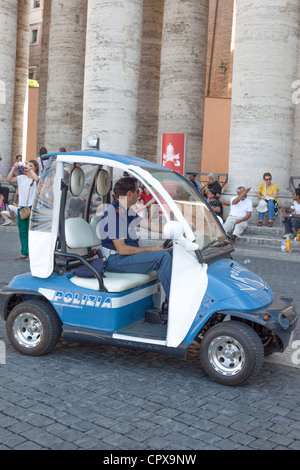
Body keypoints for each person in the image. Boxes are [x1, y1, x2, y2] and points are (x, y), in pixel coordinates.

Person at [100, 177, 173, 300]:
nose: (139, 194)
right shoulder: (114, 214)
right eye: (137, 191)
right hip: (116, 259)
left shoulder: (125, 211)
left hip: (125, 256)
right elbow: (122, 249)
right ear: (129, 194)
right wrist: (151, 249)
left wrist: (173, 229)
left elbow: (148, 224)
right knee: (162, 257)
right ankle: (175, 304)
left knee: (171, 251)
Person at [7, 160, 40, 260]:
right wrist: (14, 168)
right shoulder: (21, 178)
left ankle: (31, 253)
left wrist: (30, 169)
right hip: (22, 207)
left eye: (31, 166)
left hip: (31, 207)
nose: (28, 167)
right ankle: (24, 252)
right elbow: (8, 179)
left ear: (35, 168)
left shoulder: (35, 179)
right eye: (27, 165)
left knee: (31, 231)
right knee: (22, 231)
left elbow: (37, 178)